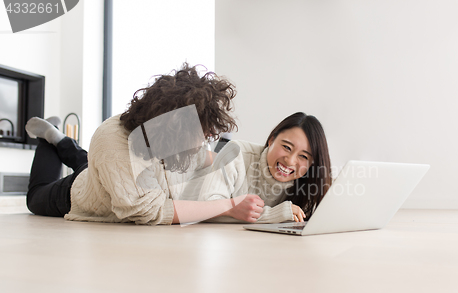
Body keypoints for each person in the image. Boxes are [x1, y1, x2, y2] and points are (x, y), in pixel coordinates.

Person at [25, 63, 266, 225]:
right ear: (174, 128)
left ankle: (61, 139)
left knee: (90, 163)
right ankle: (49, 139)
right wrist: (229, 206)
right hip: (78, 193)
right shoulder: (114, 143)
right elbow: (151, 210)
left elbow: (207, 159)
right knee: (36, 197)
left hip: (105, 173)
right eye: (200, 133)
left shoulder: (174, 137)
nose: (203, 141)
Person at [198, 112, 332, 223]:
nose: (290, 161)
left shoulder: (307, 184)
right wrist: (274, 214)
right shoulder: (236, 152)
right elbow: (206, 207)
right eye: (286, 147)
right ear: (271, 140)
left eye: (303, 156)